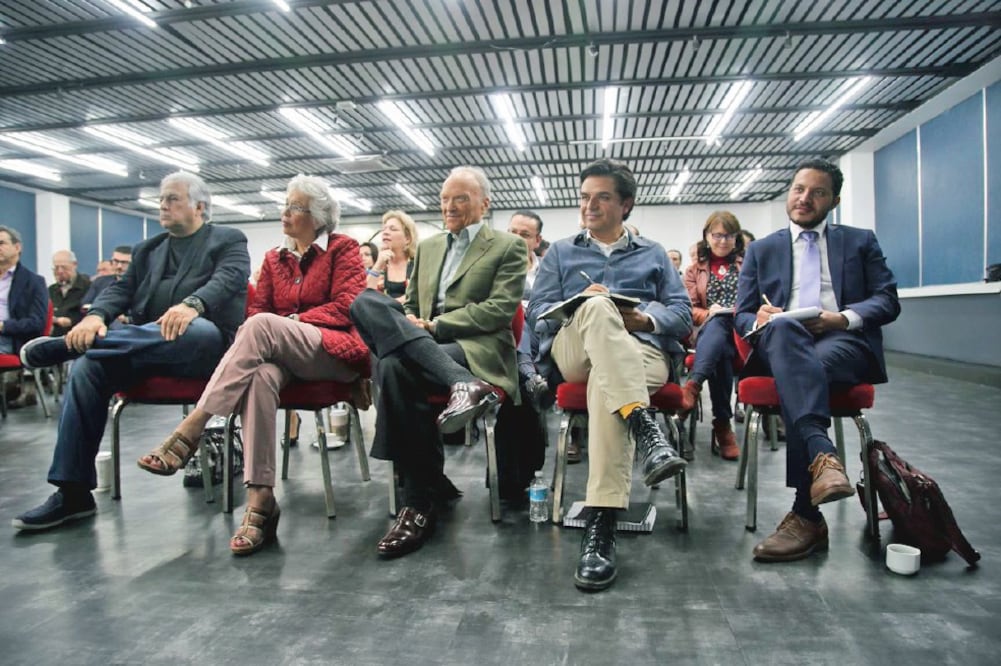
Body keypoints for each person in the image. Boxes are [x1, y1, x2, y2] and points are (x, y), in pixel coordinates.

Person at [136, 175, 368, 555]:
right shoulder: (274, 259)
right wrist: (278, 327)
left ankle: (193, 427)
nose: (285, 213)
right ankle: (261, 500)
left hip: (331, 351)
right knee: (260, 375)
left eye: (295, 207)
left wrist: (291, 323)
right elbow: (259, 310)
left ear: (319, 216)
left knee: (262, 326)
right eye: (286, 204)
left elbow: (347, 307)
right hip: (280, 354)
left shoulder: (344, 249)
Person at [14, 171, 250, 532]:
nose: (163, 205)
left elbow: (228, 279)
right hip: (145, 348)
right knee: (87, 368)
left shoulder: (228, 239)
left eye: (172, 198)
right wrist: (94, 316)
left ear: (200, 206)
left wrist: (192, 304)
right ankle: (73, 492)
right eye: (161, 199)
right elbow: (119, 291)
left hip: (205, 348)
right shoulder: (148, 250)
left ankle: (64, 348)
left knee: (192, 328)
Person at [528, 158, 692, 592]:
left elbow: (680, 313)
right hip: (574, 350)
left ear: (626, 205)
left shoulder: (654, 253)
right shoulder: (560, 252)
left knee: (608, 382)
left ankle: (601, 520)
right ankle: (646, 429)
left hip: (641, 352)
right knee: (597, 306)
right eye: (585, 197)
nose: (590, 205)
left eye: (602, 197)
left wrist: (642, 319)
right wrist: (581, 305)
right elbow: (536, 316)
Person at [350, 165, 526, 558]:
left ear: (485, 203)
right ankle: (459, 386)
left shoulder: (507, 246)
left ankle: (418, 500)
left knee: (396, 366)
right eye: (445, 198)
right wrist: (413, 319)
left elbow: (499, 311)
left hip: (477, 347)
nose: (449, 206)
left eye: (460, 198)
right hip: (426, 343)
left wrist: (433, 324)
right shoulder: (428, 248)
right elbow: (410, 304)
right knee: (365, 302)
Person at [734, 158, 900, 562]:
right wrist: (758, 317)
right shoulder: (762, 248)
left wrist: (841, 318)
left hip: (841, 341)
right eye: (798, 188)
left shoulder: (860, 241)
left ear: (834, 200)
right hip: (781, 342)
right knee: (788, 335)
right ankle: (821, 458)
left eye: (817, 192)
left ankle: (806, 515)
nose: (804, 198)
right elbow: (740, 314)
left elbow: (887, 299)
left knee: (806, 374)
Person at [679, 212, 746, 460]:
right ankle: (722, 424)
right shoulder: (693, 271)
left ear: (736, 238)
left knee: (724, 343)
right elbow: (689, 308)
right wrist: (709, 313)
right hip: (708, 330)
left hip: (742, 331)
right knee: (720, 340)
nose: (722, 240)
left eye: (728, 235)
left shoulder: (747, 265)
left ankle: (694, 385)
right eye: (717, 235)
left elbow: (755, 301)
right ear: (707, 237)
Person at [366, 210, 417, 303]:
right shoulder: (380, 265)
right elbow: (366, 295)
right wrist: (377, 265)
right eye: (384, 229)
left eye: (393, 229)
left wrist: (391, 303)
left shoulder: (417, 265)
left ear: (407, 238)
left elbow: (418, 297)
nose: (385, 232)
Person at [82, 245, 133, 321]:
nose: (119, 266)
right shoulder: (99, 282)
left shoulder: (142, 285)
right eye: (116, 261)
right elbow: (85, 304)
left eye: (124, 263)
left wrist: (127, 319)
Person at [49, 250, 91, 336]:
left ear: (74, 265)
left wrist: (72, 321)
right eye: (56, 268)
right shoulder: (50, 290)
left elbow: (92, 314)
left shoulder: (88, 287)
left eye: (64, 267)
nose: (60, 271)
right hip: (53, 339)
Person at [507, 210, 543, 305]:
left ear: (537, 240)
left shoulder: (550, 268)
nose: (516, 239)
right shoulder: (492, 267)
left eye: (524, 235)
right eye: (513, 232)